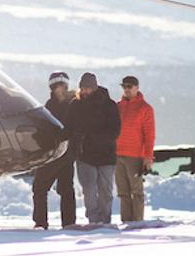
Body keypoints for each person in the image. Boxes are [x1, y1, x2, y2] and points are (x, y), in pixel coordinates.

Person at [70, 72, 120, 224]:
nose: (85, 91)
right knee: (89, 191)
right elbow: (70, 127)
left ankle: (105, 220)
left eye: (87, 88)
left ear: (94, 87)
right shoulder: (76, 105)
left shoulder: (109, 105)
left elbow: (115, 129)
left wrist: (98, 138)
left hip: (106, 155)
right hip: (85, 155)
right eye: (82, 88)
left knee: (106, 192)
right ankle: (93, 220)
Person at [32, 71, 77, 229]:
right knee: (63, 189)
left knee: (42, 187)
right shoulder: (53, 105)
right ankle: (64, 222)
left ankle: (44, 222)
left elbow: (68, 129)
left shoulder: (70, 104)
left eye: (60, 86)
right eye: (55, 86)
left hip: (60, 152)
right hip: (60, 152)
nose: (58, 89)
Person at [115, 75, 155, 222]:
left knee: (136, 192)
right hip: (118, 154)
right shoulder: (118, 106)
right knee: (123, 192)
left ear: (137, 88)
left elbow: (149, 135)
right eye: (124, 87)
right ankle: (126, 221)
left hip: (135, 156)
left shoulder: (145, 109)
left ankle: (137, 222)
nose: (126, 90)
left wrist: (148, 157)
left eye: (129, 87)